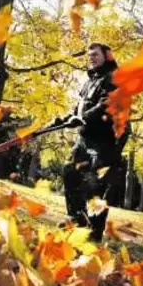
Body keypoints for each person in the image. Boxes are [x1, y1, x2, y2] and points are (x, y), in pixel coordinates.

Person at [53, 43, 130, 241]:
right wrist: (63, 119)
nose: (91, 58)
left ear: (107, 56)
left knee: (95, 188)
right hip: (85, 138)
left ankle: (94, 236)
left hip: (104, 142)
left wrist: (83, 117)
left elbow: (106, 104)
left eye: (95, 54)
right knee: (70, 172)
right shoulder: (89, 81)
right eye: (90, 55)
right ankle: (77, 217)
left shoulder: (114, 78)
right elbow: (79, 109)